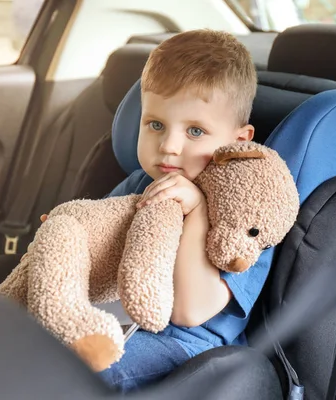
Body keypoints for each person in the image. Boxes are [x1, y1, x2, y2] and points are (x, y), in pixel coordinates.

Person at [91, 29, 273, 393]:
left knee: (82, 370)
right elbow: (99, 249)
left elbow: (191, 312)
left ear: (239, 141)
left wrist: (199, 210)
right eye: (155, 125)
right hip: (119, 318)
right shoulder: (141, 183)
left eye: (195, 131)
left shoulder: (244, 211)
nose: (169, 146)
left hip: (187, 347)